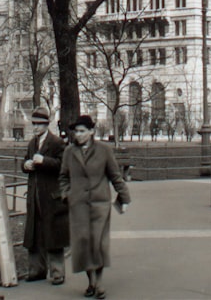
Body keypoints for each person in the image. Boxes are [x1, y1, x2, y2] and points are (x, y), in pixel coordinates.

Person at [59, 115, 131, 299]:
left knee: (97, 244)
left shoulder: (104, 150)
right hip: (78, 206)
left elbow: (115, 176)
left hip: (100, 204)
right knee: (83, 244)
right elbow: (63, 177)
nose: (78, 135)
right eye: (76, 131)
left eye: (83, 131)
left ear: (92, 132)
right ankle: (90, 281)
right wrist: (67, 194)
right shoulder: (69, 152)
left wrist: (124, 198)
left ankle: (98, 284)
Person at [22, 106, 69, 285]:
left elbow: (64, 165)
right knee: (34, 233)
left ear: (46, 125)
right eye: (33, 124)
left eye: (39, 125)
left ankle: (57, 273)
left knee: (53, 234)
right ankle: (37, 270)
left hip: (51, 196)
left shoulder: (56, 142)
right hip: (35, 195)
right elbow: (25, 161)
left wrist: (45, 161)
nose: (35, 128)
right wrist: (25, 165)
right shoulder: (32, 143)